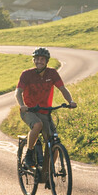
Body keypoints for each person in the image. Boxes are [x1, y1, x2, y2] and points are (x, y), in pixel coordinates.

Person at [17, 47, 77, 179]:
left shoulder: (52, 74)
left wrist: (70, 101)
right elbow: (18, 92)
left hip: (45, 112)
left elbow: (63, 89)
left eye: (42, 59)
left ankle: (47, 170)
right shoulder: (26, 74)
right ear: (34, 60)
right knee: (37, 125)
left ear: (47, 61)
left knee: (53, 141)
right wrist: (22, 105)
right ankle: (29, 153)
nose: (39, 61)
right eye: (37, 59)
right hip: (29, 111)